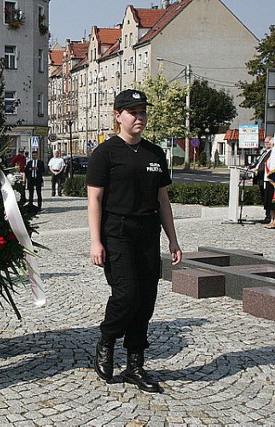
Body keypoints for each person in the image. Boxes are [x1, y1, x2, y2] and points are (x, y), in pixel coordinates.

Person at [86, 89, 182, 393]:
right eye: (133, 112)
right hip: (117, 232)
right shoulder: (106, 153)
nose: (139, 117)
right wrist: (95, 242)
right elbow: (94, 200)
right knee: (126, 295)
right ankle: (107, 338)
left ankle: (135, 365)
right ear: (118, 116)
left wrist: (173, 241)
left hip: (147, 233)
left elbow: (163, 200)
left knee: (146, 300)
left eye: (142, 112)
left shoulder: (155, 153)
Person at [251, 136, 273, 224]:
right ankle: (267, 215)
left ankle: (269, 216)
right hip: (260, 177)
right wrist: (251, 167)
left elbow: (266, 165)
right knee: (263, 197)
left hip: (266, 177)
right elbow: (259, 162)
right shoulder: (264, 152)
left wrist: (258, 170)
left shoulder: (272, 152)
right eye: (265, 142)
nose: (266, 144)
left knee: (267, 197)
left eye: (268, 142)